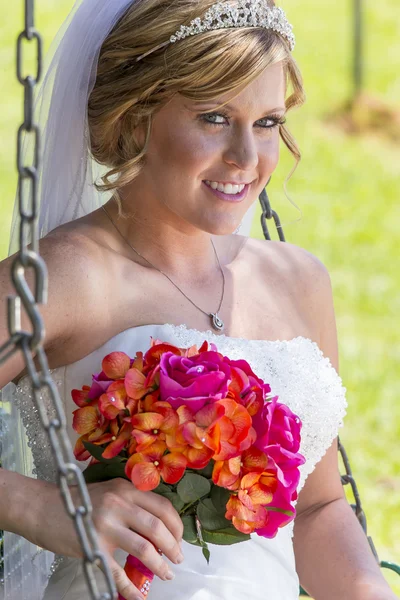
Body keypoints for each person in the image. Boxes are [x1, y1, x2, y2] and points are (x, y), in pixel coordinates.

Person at [0, 0, 397, 599]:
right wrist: (40, 506)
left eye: (267, 122)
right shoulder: (68, 277)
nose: (246, 157)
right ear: (135, 120)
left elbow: (315, 511)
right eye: (214, 117)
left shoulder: (298, 281)